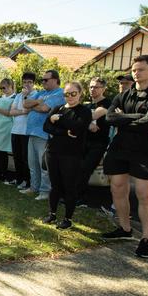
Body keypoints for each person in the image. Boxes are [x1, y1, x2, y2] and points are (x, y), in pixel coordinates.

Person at [102, 55, 148, 258]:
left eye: (141, 69)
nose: (136, 73)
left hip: (146, 150)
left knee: (144, 194)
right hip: (120, 147)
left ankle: (146, 238)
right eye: (134, 70)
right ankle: (124, 228)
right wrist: (136, 117)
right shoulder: (125, 93)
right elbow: (109, 117)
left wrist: (123, 118)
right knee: (117, 188)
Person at [41, 82, 92, 229]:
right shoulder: (58, 108)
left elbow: (77, 127)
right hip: (53, 152)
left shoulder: (84, 111)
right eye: (66, 94)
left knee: (69, 187)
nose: (69, 97)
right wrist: (63, 131)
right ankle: (52, 214)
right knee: (55, 185)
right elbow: (46, 126)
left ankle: (68, 219)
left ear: (80, 93)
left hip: (71, 155)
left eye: (73, 93)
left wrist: (58, 120)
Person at [22, 70, 65, 201]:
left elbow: (45, 109)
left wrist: (34, 104)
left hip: (44, 134)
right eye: (42, 80)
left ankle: (45, 191)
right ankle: (34, 187)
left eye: (46, 80)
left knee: (44, 165)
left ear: (55, 80)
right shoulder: (41, 93)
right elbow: (25, 104)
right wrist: (37, 102)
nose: (43, 82)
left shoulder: (59, 93)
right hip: (32, 132)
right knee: (32, 163)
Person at [76, 77, 112, 206]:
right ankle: (77, 196)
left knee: (85, 168)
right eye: (91, 87)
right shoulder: (88, 105)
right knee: (79, 168)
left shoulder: (107, 103)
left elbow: (92, 116)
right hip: (84, 141)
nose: (92, 89)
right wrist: (87, 124)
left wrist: (84, 121)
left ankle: (81, 199)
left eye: (96, 87)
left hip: (99, 143)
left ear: (103, 89)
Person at [10, 73, 34, 189]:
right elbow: (11, 112)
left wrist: (25, 99)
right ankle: (19, 180)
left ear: (33, 83)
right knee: (17, 157)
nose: (27, 84)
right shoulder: (18, 95)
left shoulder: (35, 94)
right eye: (25, 82)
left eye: (29, 82)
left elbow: (28, 109)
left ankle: (28, 181)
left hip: (26, 131)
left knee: (26, 158)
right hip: (15, 130)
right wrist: (22, 111)